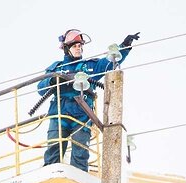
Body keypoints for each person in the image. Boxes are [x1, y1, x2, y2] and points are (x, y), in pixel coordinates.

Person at [37, 29, 140, 172]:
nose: (78, 48)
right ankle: (50, 176)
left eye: (80, 46)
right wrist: (52, 80)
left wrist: (125, 46)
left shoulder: (89, 67)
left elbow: (109, 62)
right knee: (54, 149)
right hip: (59, 114)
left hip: (83, 113)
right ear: (67, 49)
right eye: (75, 46)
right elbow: (40, 88)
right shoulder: (56, 68)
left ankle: (78, 178)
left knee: (80, 152)